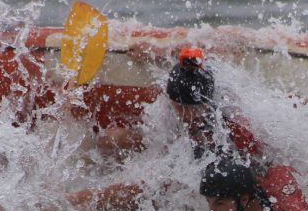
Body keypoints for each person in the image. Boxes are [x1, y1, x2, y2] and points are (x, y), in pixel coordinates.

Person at [96, 46, 263, 161]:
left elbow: (256, 152)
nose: (188, 115)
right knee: (110, 139)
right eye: (180, 107)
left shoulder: (229, 108)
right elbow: (190, 52)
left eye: (195, 109)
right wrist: (155, 52)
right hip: (180, 144)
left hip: (219, 148)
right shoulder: (166, 96)